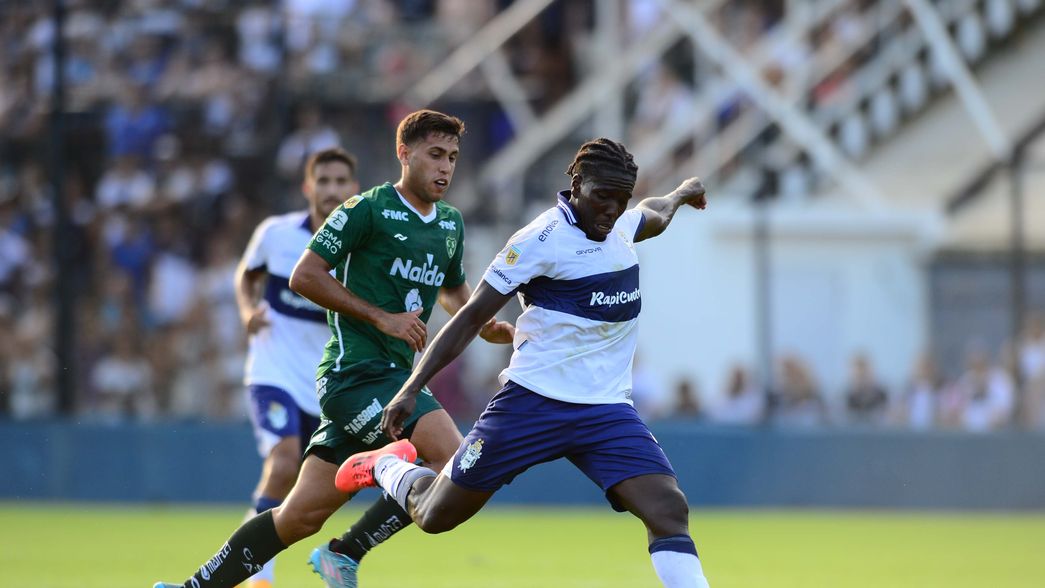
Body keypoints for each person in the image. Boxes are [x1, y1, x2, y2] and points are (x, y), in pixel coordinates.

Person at [153, 109, 514, 588]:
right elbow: (305, 275)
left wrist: (481, 321)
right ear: (403, 154)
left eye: (451, 157)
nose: (445, 167)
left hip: (393, 380)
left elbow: (451, 289)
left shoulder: (449, 224)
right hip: (355, 375)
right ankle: (350, 543)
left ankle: (190, 587)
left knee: (297, 517)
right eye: (434, 155)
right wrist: (381, 317)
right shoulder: (364, 209)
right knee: (451, 457)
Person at [337, 138, 712, 588]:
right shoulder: (539, 240)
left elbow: (656, 212)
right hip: (531, 405)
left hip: (605, 409)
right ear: (576, 184)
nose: (610, 210)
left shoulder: (621, 226)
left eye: (620, 200)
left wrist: (684, 192)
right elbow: (471, 316)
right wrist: (412, 386)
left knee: (668, 510)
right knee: (435, 515)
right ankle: (386, 466)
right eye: (601, 198)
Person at [232, 146, 359, 587]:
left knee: (310, 494)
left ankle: (254, 557)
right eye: (323, 181)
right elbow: (247, 274)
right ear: (308, 187)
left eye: (341, 182)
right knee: (283, 462)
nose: (332, 190)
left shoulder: (361, 250)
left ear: (354, 189)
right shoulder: (276, 233)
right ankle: (259, 576)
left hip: (325, 385)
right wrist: (248, 309)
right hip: (273, 370)